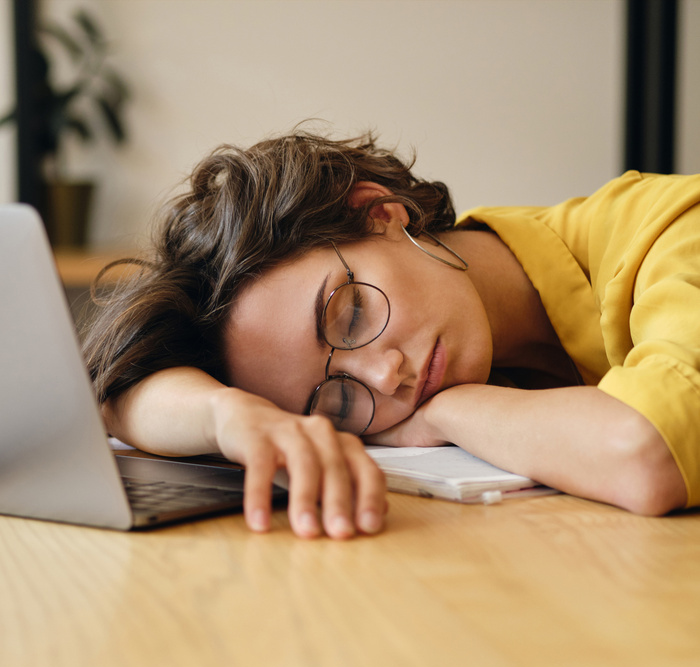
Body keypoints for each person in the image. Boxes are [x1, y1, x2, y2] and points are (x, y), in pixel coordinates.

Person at [83, 128, 698, 540]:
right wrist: (228, 416)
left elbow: (645, 455)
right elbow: (116, 399)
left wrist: (446, 413)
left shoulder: (673, 231)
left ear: (379, 212)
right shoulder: (468, 349)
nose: (385, 378)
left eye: (350, 316)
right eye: (338, 400)